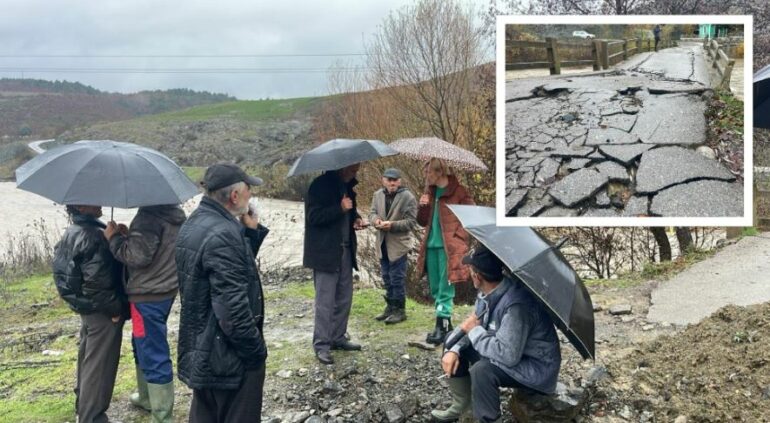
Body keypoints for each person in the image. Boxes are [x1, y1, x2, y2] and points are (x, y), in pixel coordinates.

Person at [175, 163, 269, 422]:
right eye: (248, 189)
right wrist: (256, 352)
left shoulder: (196, 222)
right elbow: (233, 310)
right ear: (235, 196)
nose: (251, 195)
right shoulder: (223, 234)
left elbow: (228, 274)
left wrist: (250, 233)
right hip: (228, 356)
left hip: (203, 347)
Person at [431, 244, 562, 423]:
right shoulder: (487, 294)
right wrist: (453, 349)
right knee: (454, 341)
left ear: (477, 277)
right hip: (516, 353)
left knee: (482, 371)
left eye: (471, 270)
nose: (470, 274)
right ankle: (463, 405)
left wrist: (474, 331)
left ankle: (489, 419)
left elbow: (507, 355)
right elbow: (472, 329)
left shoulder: (517, 307)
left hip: (536, 368)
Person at [105, 204, 186, 423]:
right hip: (165, 288)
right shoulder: (173, 214)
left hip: (147, 295)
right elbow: (154, 249)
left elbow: (137, 257)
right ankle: (146, 396)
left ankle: (161, 414)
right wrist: (127, 236)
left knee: (151, 349)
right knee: (140, 342)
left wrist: (114, 239)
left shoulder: (148, 216)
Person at [52, 205, 126, 423]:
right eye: (94, 200)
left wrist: (116, 238)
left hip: (85, 306)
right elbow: (97, 282)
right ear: (82, 205)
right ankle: (92, 416)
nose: (100, 203)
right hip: (101, 310)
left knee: (88, 357)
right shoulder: (93, 236)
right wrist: (114, 310)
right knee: (100, 364)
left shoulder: (74, 230)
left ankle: (82, 407)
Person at [304, 163, 366, 365]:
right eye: (352, 170)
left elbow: (348, 212)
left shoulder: (347, 186)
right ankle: (321, 345)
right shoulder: (318, 186)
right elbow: (313, 217)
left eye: (357, 170)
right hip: (325, 253)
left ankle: (338, 337)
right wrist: (339, 209)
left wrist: (354, 218)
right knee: (325, 301)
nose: (355, 173)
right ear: (341, 167)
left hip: (345, 250)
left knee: (344, 297)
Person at [416, 158, 474, 345]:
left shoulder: (458, 192)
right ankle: (444, 326)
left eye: (428, 172)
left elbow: (471, 217)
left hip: (449, 248)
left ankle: (443, 325)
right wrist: (423, 206)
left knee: (445, 287)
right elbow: (422, 222)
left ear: (439, 172)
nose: (426, 176)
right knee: (435, 287)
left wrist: (459, 237)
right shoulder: (430, 193)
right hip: (431, 245)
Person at [368, 167, 418, 324]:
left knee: (397, 278)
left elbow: (411, 222)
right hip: (382, 243)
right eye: (389, 180)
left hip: (399, 245)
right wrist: (375, 221)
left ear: (400, 181)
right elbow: (372, 213)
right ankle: (390, 308)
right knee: (386, 277)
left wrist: (393, 225)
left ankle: (400, 311)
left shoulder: (408, 197)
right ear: (383, 180)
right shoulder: (377, 195)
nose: (392, 183)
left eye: (395, 180)